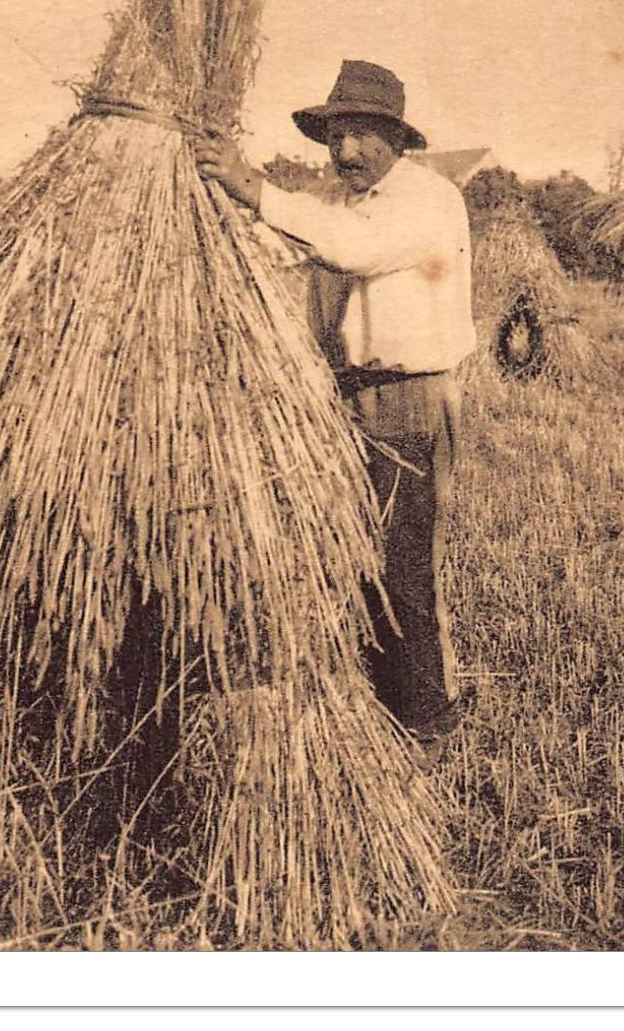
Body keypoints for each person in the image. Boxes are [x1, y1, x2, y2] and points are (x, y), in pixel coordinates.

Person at [194, 59, 473, 751]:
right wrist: (223, 203)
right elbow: (292, 242)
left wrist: (252, 187)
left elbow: (351, 251)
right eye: (334, 137)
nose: (343, 151)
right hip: (348, 399)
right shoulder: (345, 202)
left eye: (359, 136)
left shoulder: (426, 200)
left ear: (396, 139)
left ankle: (425, 717)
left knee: (398, 561)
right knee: (355, 553)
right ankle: (380, 694)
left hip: (408, 400)